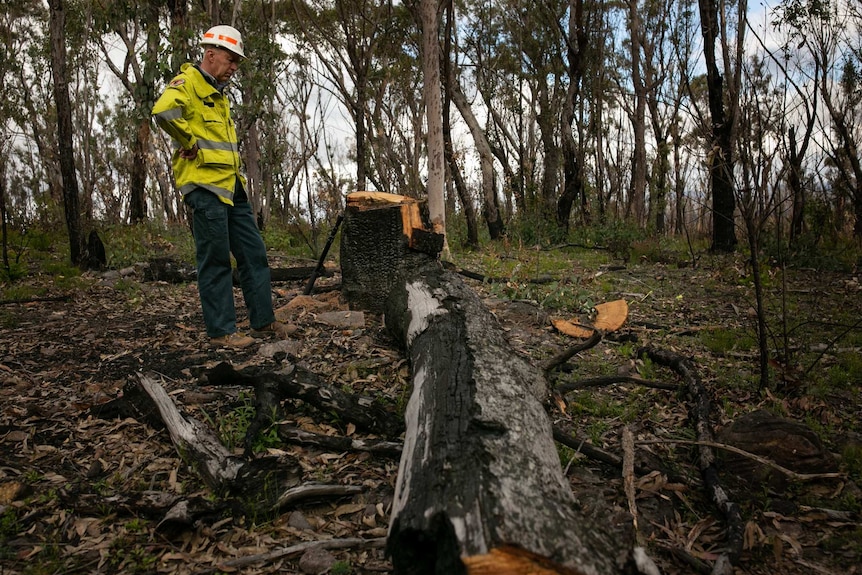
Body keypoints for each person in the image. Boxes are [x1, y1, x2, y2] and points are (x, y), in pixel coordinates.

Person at [152, 24, 287, 348]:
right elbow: (163, 110)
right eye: (231, 60)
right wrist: (188, 140)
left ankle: (263, 322)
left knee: (253, 253)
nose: (234, 68)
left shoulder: (219, 93)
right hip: (205, 186)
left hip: (232, 186)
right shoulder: (188, 83)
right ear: (210, 55)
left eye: (237, 62)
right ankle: (222, 332)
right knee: (214, 259)